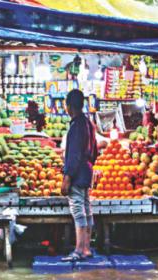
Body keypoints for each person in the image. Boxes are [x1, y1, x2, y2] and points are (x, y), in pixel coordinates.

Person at [61, 89, 98, 261]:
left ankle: (79, 249)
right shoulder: (89, 124)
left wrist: (67, 178)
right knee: (86, 209)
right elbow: (95, 151)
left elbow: (74, 155)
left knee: (78, 211)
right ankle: (87, 248)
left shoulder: (76, 126)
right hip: (87, 171)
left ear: (68, 106)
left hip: (77, 173)